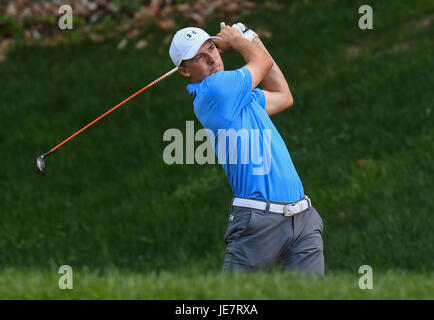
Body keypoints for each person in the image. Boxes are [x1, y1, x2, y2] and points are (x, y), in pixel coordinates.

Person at [169, 23, 325, 275]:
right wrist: (240, 41)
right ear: (184, 71)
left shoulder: (238, 95)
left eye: (212, 48)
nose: (211, 58)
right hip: (258, 221)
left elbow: (283, 95)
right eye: (199, 56)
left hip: (302, 217)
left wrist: (250, 37)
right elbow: (261, 63)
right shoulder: (215, 90)